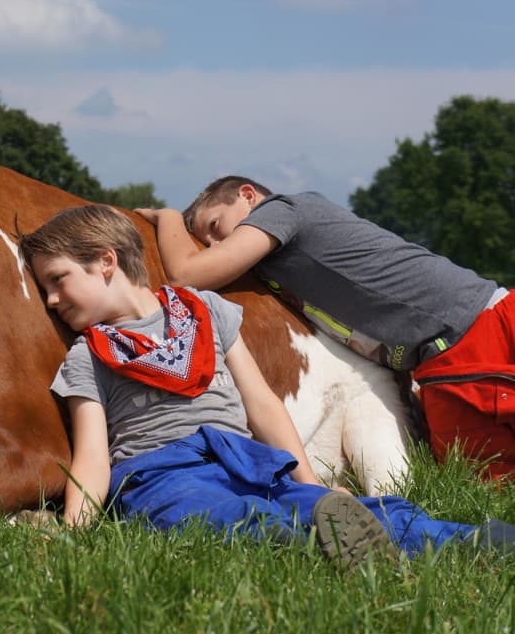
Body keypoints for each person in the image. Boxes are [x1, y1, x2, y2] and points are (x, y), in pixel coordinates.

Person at [19, 204, 513, 566]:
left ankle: (469, 540)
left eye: (58, 280)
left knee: (331, 506)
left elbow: (262, 405)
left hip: (246, 458)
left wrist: (312, 484)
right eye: (45, 288)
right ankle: (333, 546)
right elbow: (92, 457)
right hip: (160, 474)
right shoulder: (89, 355)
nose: (51, 300)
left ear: (106, 262)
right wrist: (74, 531)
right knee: (209, 516)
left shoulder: (206, 312)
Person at [135, 177, 513, 479]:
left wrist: (166, 216)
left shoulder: (285, 210)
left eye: (215, 226)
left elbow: (186, 275)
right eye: (207, 240)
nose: (217, 243)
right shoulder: (275, 272)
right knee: (480, 476)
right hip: (441, 365)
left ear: (248, 196)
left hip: (483, 322)